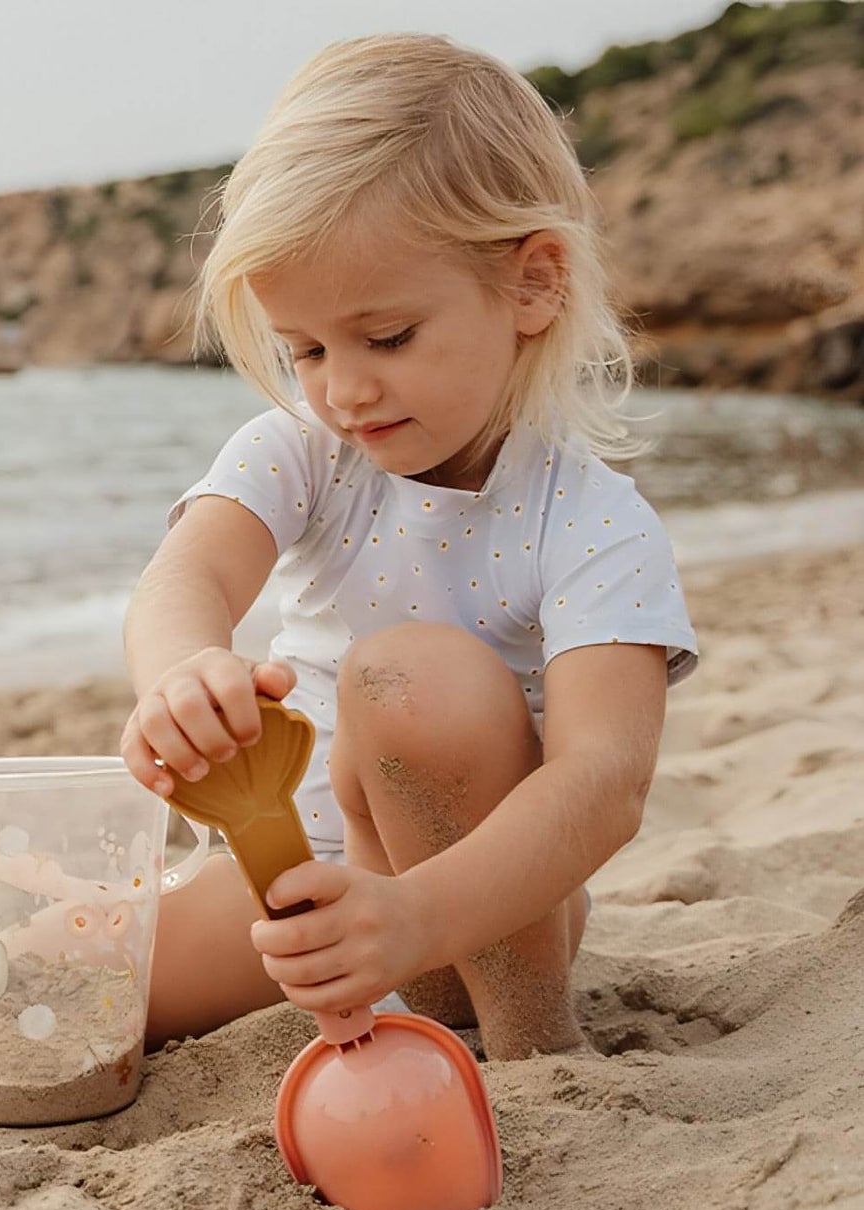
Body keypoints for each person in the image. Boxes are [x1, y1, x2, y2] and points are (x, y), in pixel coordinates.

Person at [120, 34, 698, 1061]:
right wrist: (178, 675)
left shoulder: (590, 520)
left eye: (384, 337)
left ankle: (533, 1045)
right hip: (298, 878)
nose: (342, 390)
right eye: (305, 350)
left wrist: (419, 915)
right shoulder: (304, 454)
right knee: (73, 976)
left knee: (407, 671)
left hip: (485, 905)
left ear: (530, 285)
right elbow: (188, 573)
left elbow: (605, 776)